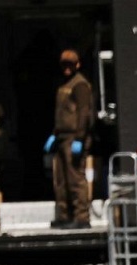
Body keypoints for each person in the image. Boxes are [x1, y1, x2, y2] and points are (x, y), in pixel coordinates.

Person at [43, 49, 94, 229]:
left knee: (75, 179)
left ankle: (81, 217)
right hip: (61, 137)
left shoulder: (80, 85)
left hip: (74, 137)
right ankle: (64, 216)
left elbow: (83, 113)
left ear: (77, 65)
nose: (66, 68)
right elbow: (62, 113)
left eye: (70, 64)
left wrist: (80, 137)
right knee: (61, 180)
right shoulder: (64, 84)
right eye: (64, 64)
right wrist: (55, 134)